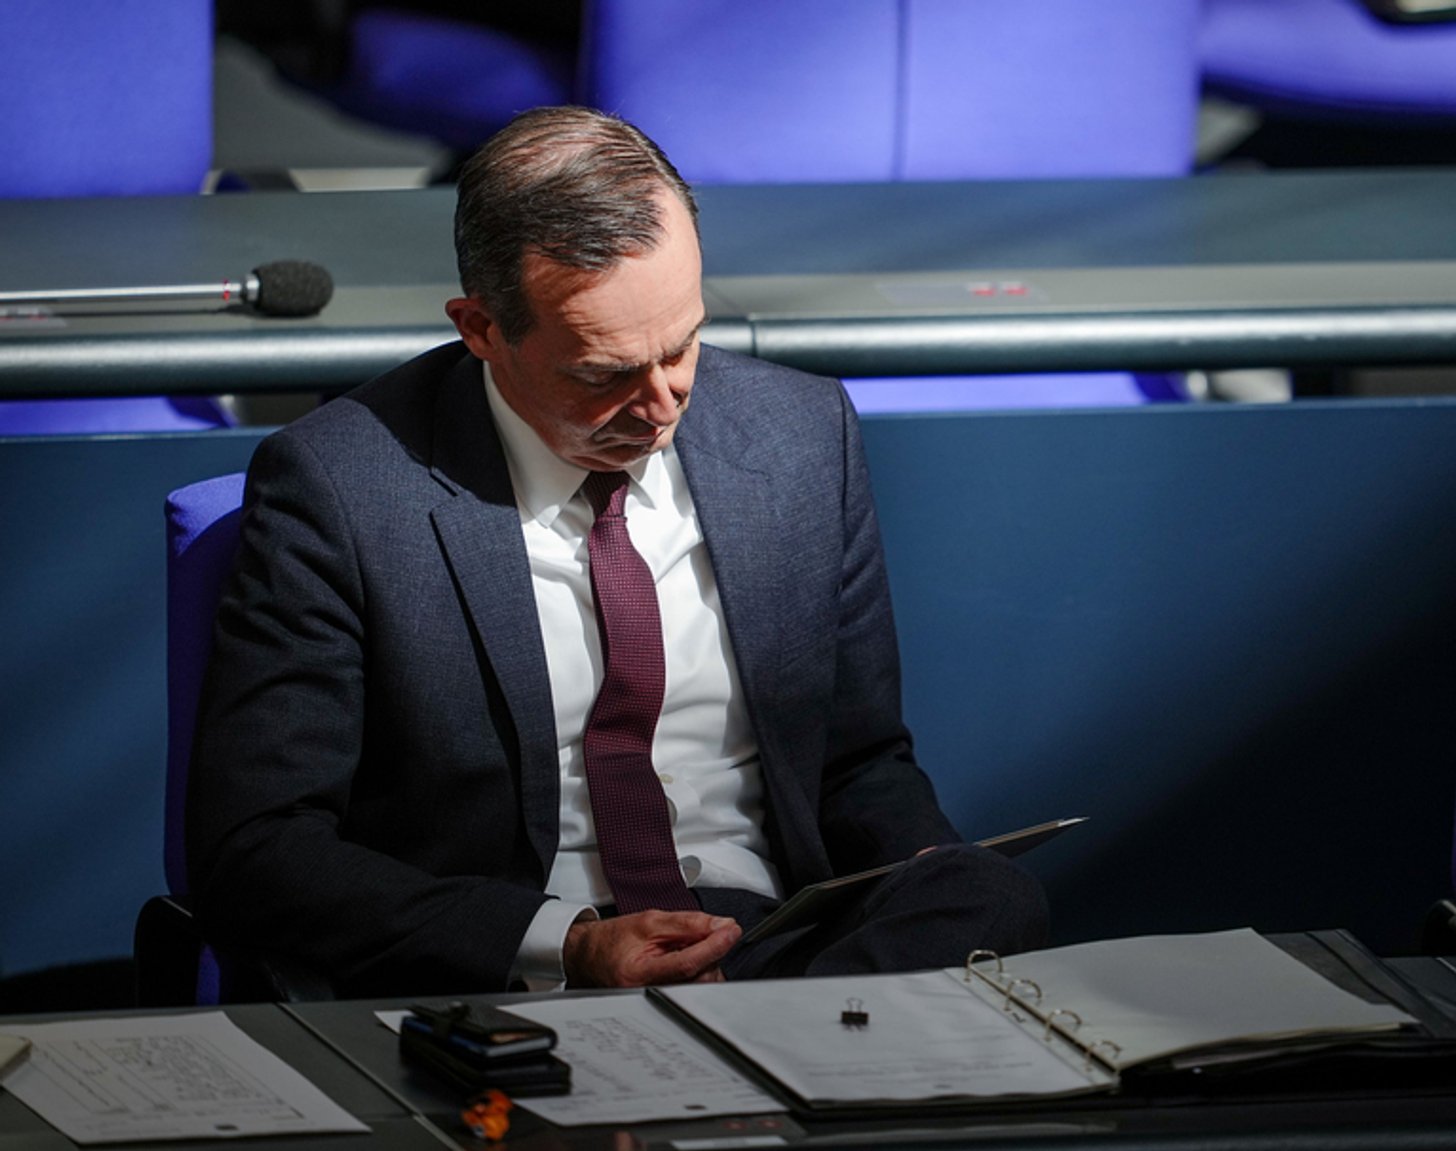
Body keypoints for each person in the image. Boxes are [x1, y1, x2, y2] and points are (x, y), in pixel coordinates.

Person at [187, 106, 1047, 997]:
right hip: (527, 964)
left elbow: (861, 762)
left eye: (682, 346)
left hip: (782, 945)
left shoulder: (801, 434)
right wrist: (565, 943)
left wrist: (918, 867)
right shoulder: (344, 485)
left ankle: (775, 1034)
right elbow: (258, 849)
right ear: (481, 329)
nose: (661, 404)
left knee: (988, 894)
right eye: (602, 375)